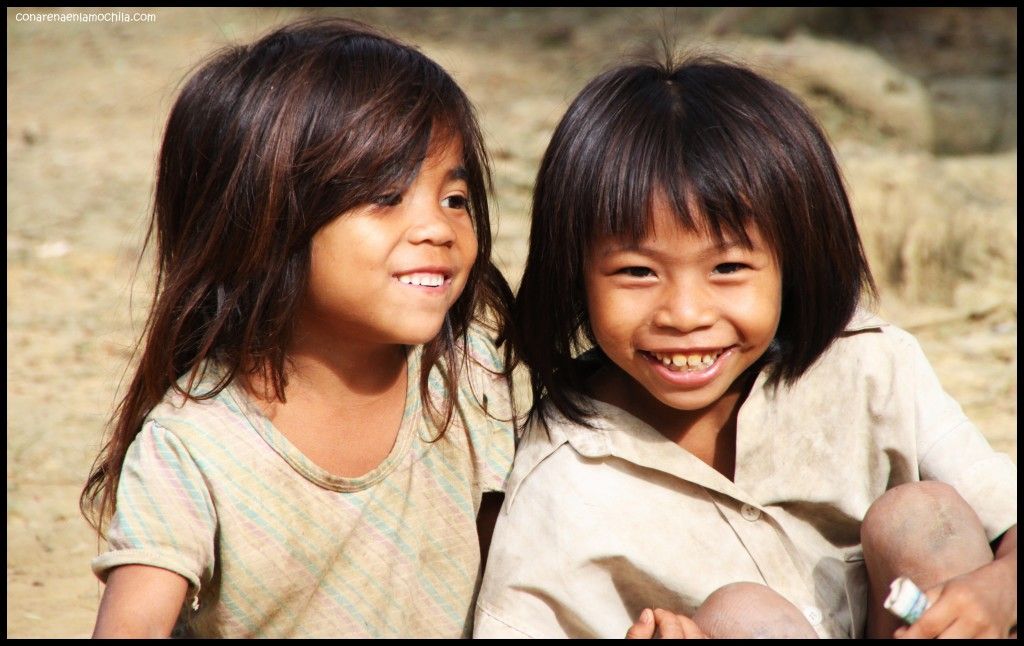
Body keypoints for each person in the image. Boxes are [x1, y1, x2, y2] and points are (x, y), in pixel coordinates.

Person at [473, 54, 1017, 639]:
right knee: (743, 616)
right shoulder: (564, 479)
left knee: (921, 515)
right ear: (575, 275)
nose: (685, 315)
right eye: (636, 272)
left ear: (793, 261)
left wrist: (1000, 588)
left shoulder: (868, 366)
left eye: (729, 266)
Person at [79, 18, 518, 638]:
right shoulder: (196, 445)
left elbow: (514, 584)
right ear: (264, 221)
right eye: (386, 196)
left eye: (454, 198)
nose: (440, 230)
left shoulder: (464, 375)